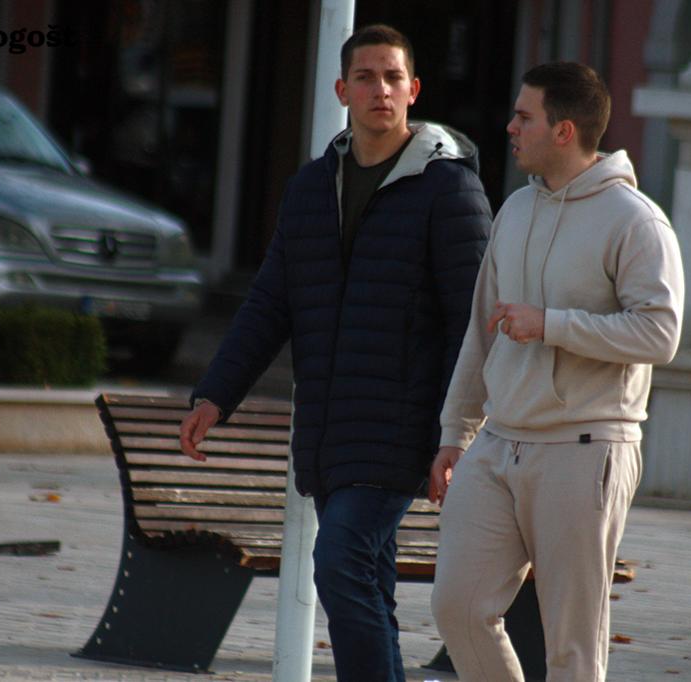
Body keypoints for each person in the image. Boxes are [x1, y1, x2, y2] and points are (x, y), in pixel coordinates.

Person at [178, 24, 491, 682]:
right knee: (367, 583)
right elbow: (271, 303)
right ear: (342, 90)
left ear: (414, 90)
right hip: (330, 430)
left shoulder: (448, 190)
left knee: (341, 564)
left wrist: (457, 432)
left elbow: (472, 323)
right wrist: (215, 395)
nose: (381, 90)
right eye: (367, 77)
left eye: (394, 78)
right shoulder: (311, 188)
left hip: (403, 428)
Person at [428, 62, 685, 682]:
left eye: (525, 116)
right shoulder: (516, 209)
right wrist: (455, 432)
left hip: (586, 448)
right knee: (458, 607)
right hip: (498, 444)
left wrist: (552, 324)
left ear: (564, 130)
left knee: (572, 646)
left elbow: (660, 334)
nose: (510, 127)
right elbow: (481, 330)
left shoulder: (637, 220)